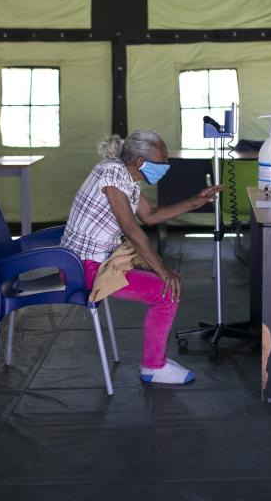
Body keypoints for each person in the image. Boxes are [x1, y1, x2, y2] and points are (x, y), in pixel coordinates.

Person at [60, 129, 221, 385]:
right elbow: (131, 228)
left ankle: (155, 363)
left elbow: (150, 215)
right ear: (139, 162)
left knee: (165, 285)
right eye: (163, 160)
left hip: (96, 260)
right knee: (165, 290)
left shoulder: (126, 176)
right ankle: (153, 367)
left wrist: (194, 202)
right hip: (82, 268)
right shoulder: (112, 175)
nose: (167, 165)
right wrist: (163, 271)